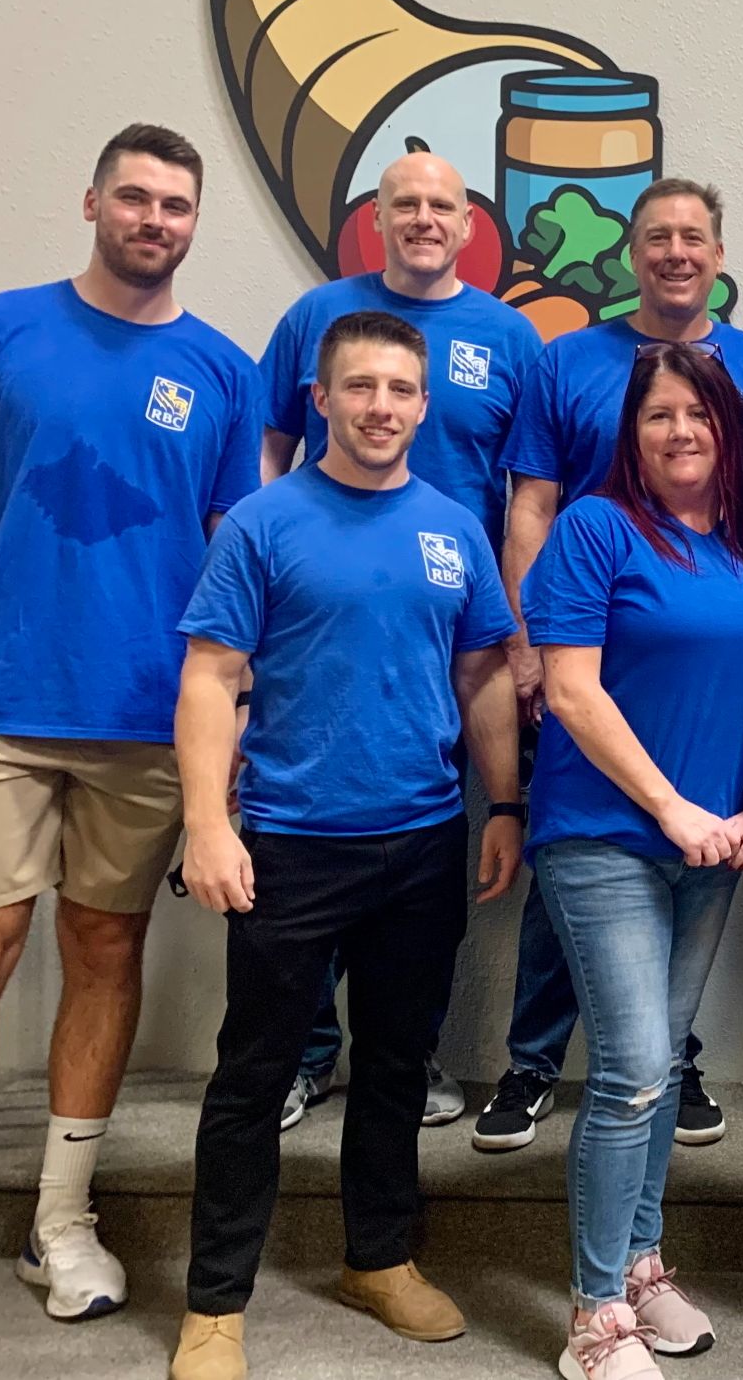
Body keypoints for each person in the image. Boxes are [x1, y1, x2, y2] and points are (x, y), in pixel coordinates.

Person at [0, 124, 260, 1351]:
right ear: (91, 201)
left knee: (104, 955)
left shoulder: (222, 372)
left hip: (145, 721)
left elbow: (237, 553)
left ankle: (60, 1221)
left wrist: (231, 723)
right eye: (134, 196)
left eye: (176, 204)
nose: (154, 219)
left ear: (194, 223)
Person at [168, 312, 522, 1380]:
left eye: (400, 390)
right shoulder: (266, 524)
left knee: (397, 1068)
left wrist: (503, 805)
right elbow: (209, 678)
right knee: (253, 1072)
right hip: (288, 845)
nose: (381, 407)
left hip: (420, 841)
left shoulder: (453, 527)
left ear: (424, 405)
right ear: (320, 401)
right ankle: (215, 1303)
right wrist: (205, 823)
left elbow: (486, 675)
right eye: (359, 387)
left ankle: (378, 1257)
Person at [482, 177, 743, 1153]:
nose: (675, 251)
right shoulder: (568, 361)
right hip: (589, 651)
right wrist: (529, 644)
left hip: (711, 656)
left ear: (718, 254)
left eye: (693, 237)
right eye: (658, 236)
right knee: (577, 856)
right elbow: (531, 506)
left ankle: (676, 1057)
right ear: (634, 253)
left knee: (693, 851)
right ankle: (534, 1062)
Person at [523, 341, 743, 1380]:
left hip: (716, 848)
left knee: (660, 1064)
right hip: (606, 839)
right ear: (630, 435)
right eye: (658, 416)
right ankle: (594, 1315)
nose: (681, 431)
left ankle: (642, 1266)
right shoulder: (595, 530)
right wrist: (677, 808)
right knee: (634, 1069)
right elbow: (573, 691)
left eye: (700, 414)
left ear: (732, 431)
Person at [257, 149, 541, 1133]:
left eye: (442, 205)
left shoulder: (510, 336)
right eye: (404, 203)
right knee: (312, 836)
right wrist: (255, 583)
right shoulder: (318, 317)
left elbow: (527, 495)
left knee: (424, 857)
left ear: (469, 225)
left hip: (454, 626)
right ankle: (303, 1055)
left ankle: (407, 1055)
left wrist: (518, 631)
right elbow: (269, 454)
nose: (424, 217)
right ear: (377, 217)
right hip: (322, 617)